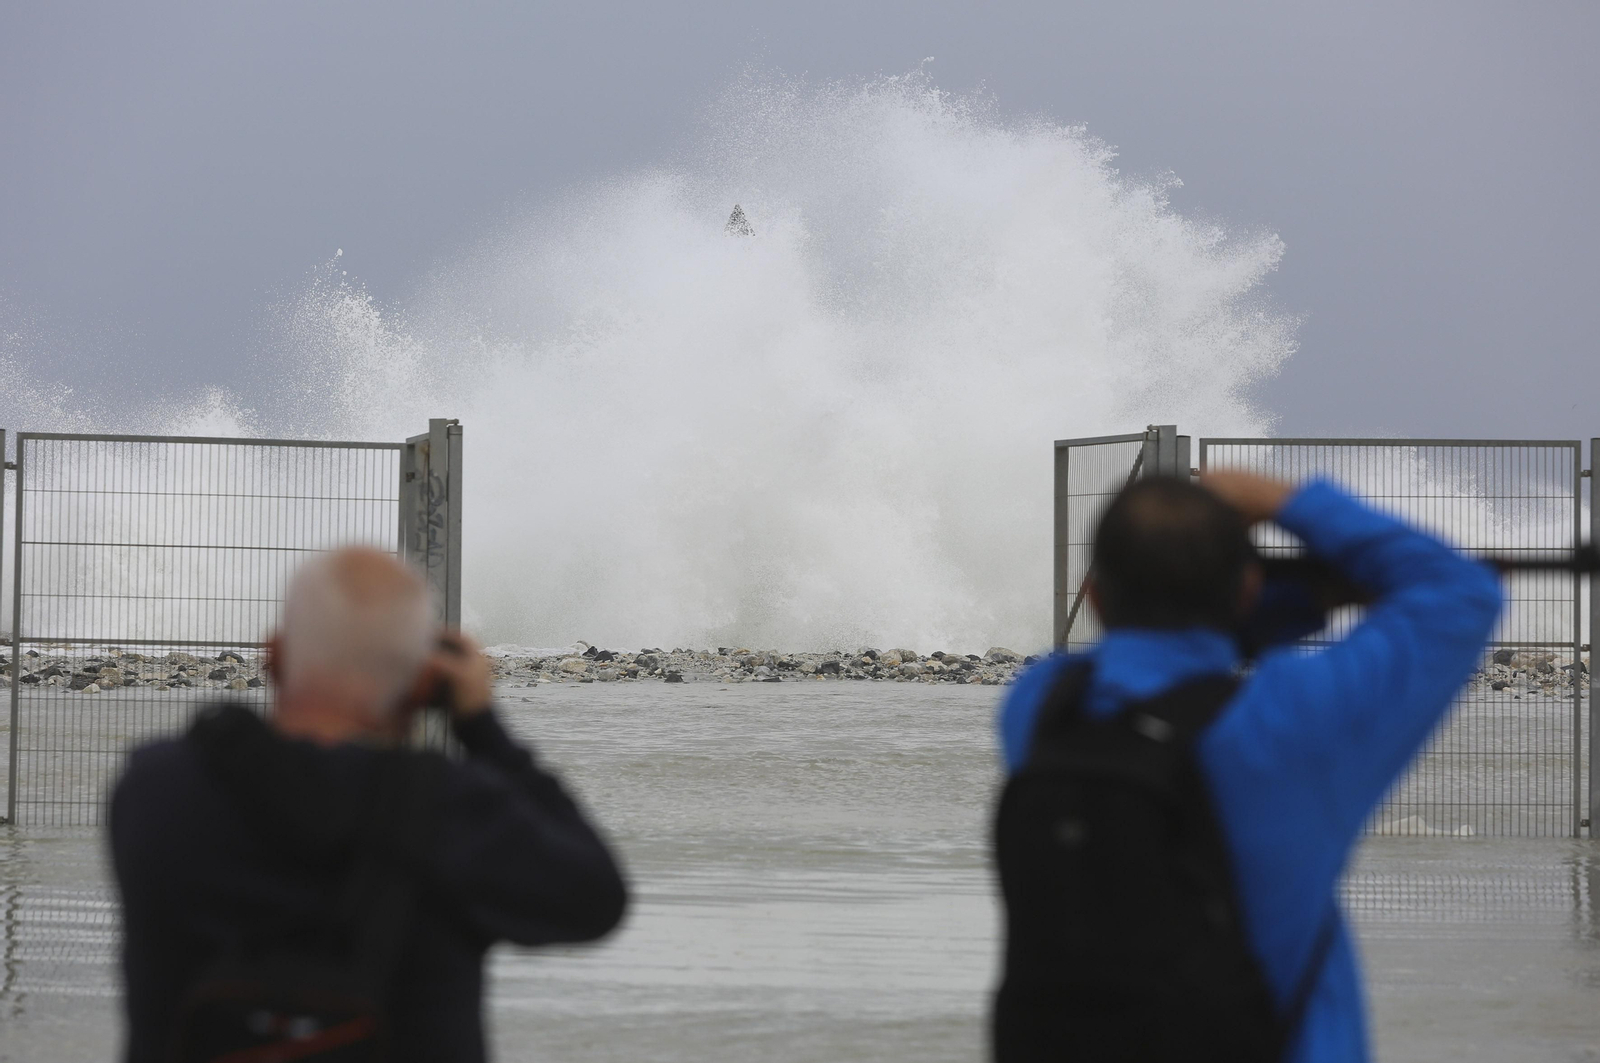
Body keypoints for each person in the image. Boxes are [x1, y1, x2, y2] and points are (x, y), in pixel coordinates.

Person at [993, 471, 1502, 1062]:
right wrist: (1286, 504)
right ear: (1245, 591)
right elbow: (1461, 590)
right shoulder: (1292, 721)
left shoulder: (1045, 708)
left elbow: (1179, 655)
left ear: (1098, 596)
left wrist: (1294, 599)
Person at [110, 547, 627, 1063]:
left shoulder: (158, 789)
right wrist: (482, 728)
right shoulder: (455, 809)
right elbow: (596, 897)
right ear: (427, 685)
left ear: (273, 655)